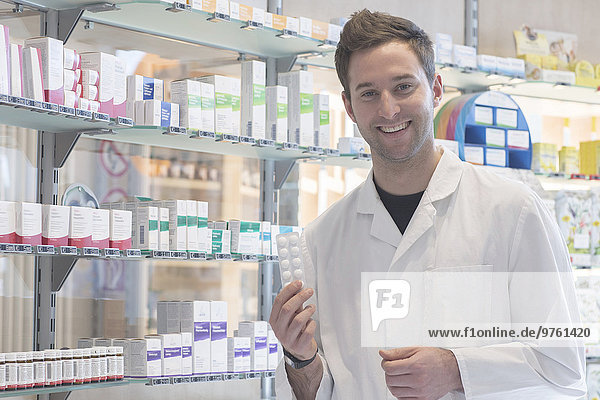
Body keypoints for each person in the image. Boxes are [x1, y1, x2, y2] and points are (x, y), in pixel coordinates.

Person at [269, 9, 586, 400]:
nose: (388, 109)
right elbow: (323, 390)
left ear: (435, 89)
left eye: (403, 87)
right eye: (369, 93)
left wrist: (457, 370)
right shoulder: (323, 239)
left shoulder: (514, 211)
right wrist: (301, 360)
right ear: (349, 107)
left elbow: (565, 366)